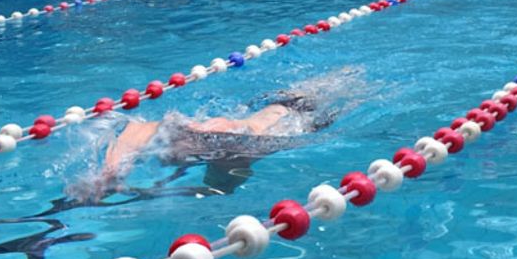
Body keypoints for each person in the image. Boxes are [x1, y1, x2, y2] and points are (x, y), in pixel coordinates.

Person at [74, 92, 339, 202]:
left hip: (294, 117)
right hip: (268, 111)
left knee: (322, 98)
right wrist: (111, 170)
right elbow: (134, 130)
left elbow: (220, 189)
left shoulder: (235, 151)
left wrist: (147, 193)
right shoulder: (181, 129)